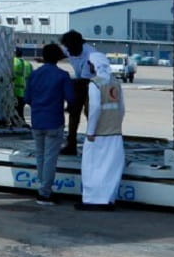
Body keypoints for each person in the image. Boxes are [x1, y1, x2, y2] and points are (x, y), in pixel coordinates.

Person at [25, 44, 72, 205]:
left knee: (40, 156)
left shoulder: (35, 74)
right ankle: (45, 193)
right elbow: (71, 99)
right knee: (50, 158)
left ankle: (42, 187)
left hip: (37, 121)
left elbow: (27, 99)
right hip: (54, 121)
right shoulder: (62, 75)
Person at [78, 69, 127, 211]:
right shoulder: (116, 82)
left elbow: (94, 108)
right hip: (114, 132)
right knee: (111, 167)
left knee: (91, 166)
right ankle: (108, 198)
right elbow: (122, 109)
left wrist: (90, 131)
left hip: (98, 134)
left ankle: (92, 199)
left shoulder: (95, 83)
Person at [59, 29, 110, 155]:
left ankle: (95, 144)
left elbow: (83, 81)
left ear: (78, 45)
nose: (68, 52)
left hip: (93, 84)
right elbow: (61, 54)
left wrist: (67, 89)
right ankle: (71, 144)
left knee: (90, 113)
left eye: (70, 48)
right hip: (80, 82)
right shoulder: (70, 49)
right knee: (73, 113)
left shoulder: (90, 55)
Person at [11, 51, 33, 126]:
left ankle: (14, 122)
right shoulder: (28, 64)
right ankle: (21, 122)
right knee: (21, 109)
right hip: (24, 90)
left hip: (14, 90)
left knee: (14, 109)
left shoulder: (12, 62)